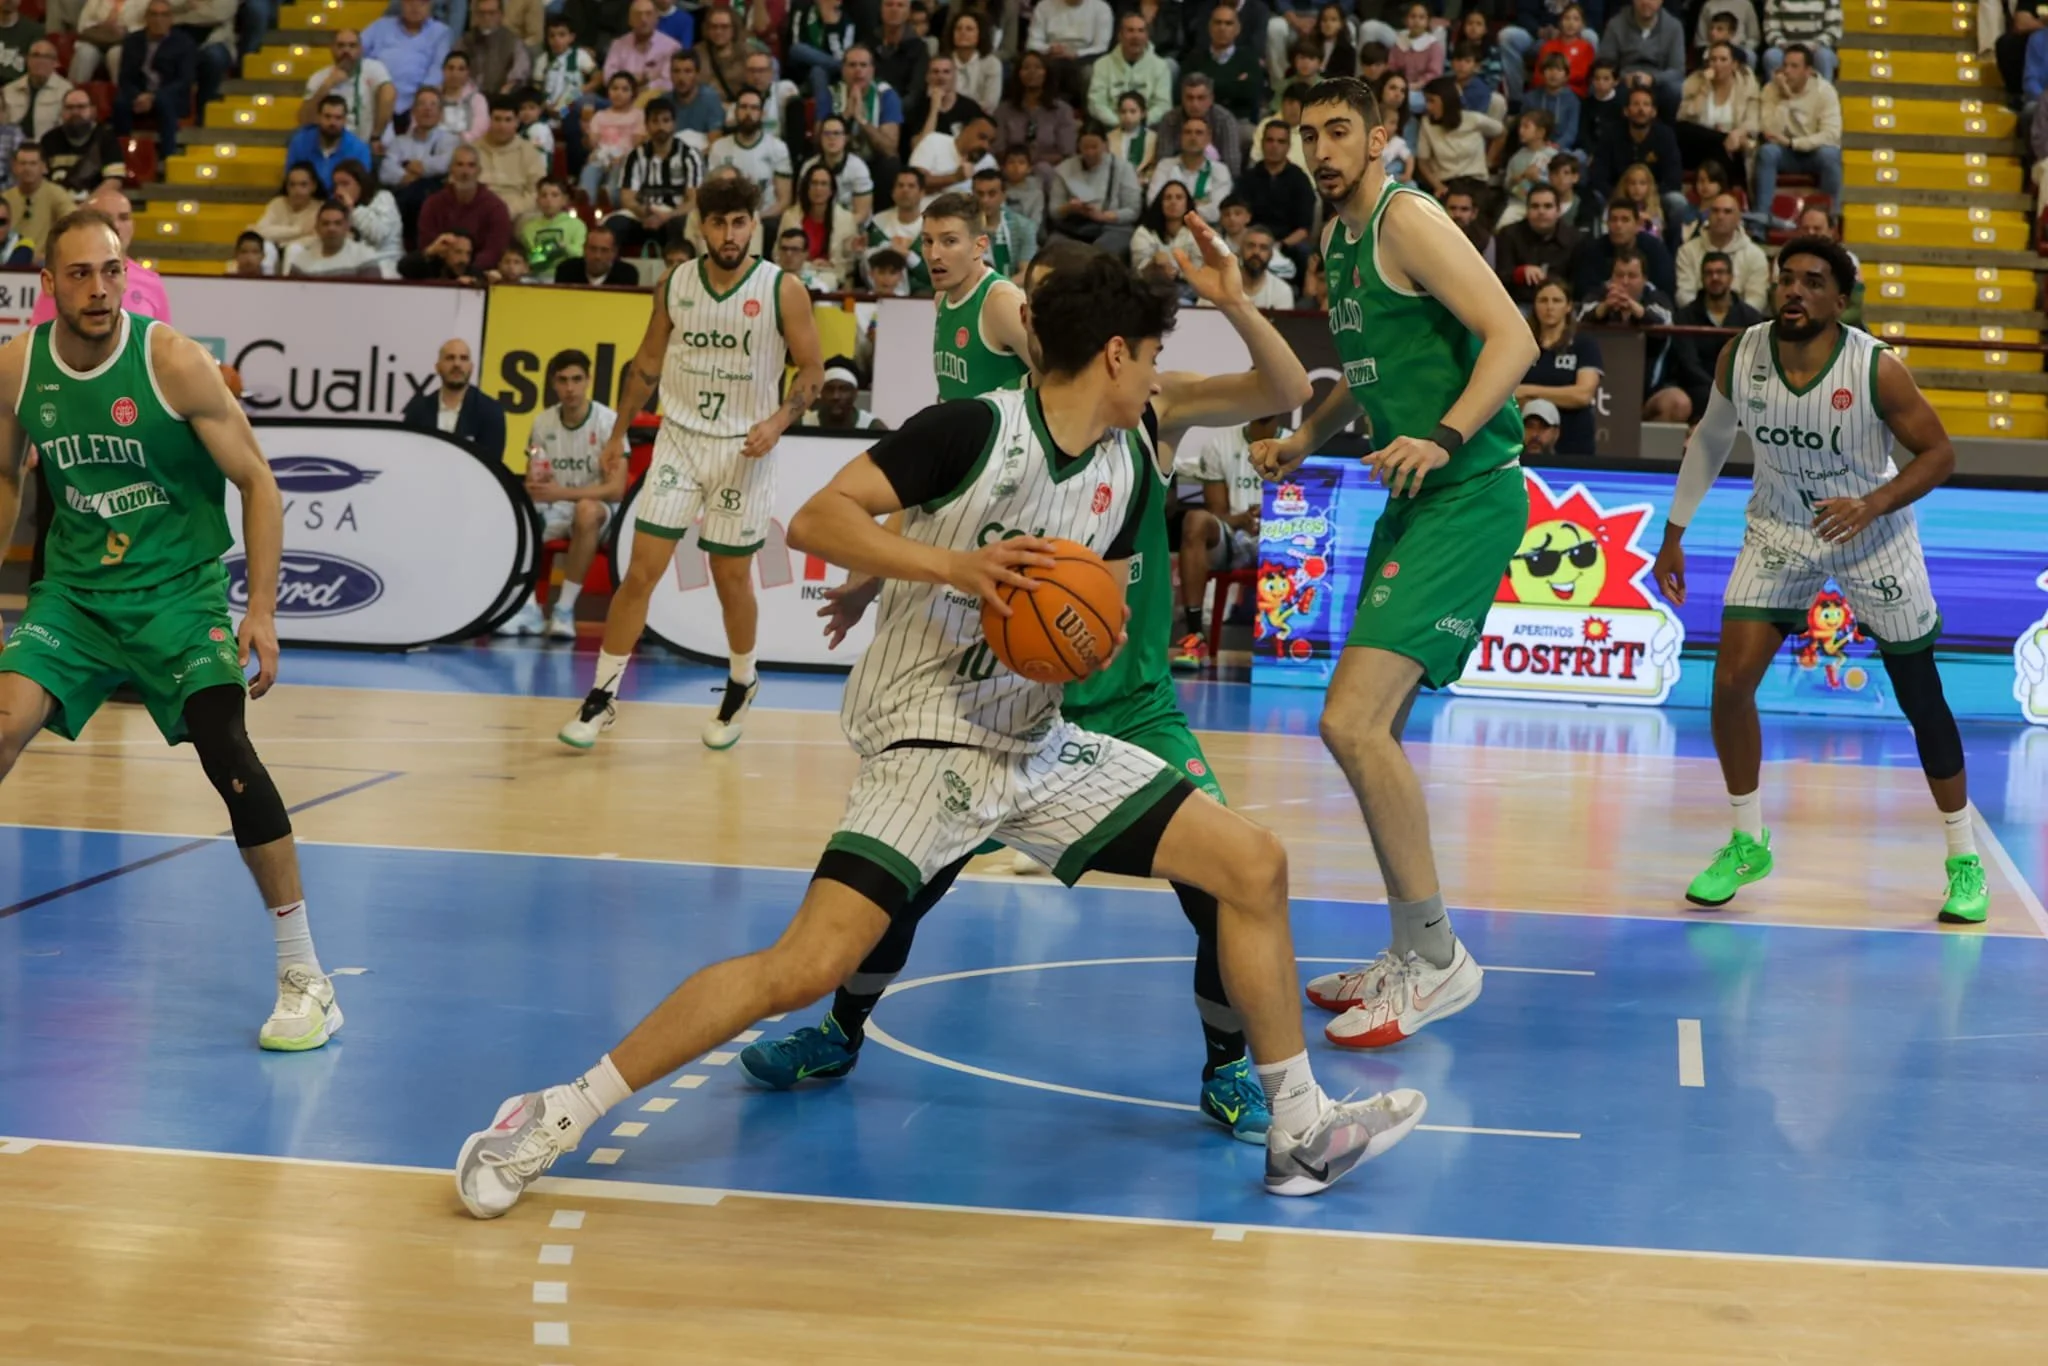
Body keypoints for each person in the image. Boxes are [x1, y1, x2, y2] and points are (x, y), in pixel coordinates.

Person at [460, 244, 1425, 1222]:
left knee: (1251, 865)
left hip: (1038, 743)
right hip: (929, 741)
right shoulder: (971, 426)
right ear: (1115, 356)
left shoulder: (1125, 463)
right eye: (1153, 357)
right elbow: (816, 519)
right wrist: (944, 571)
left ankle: (1296, 1126)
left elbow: (1057, 582)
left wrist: (1032, 626)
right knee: (802, 967)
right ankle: (553, 1110)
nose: (1157, 376)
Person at [0, 208, 343, 1053]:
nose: (98, 288)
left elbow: (260, 483)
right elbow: (5, 474)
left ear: (128, 274)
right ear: (48, 285)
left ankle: (305, 975)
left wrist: (259, 611)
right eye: (79, 274)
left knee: (226, 750)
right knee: (3, 722)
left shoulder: (174, 363)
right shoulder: (17, 367)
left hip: (181, 595)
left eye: (110, 272)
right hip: (75, 596)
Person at [1257, 75, 1536, 1048]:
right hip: (1414, 497)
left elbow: (1514, 336)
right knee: (1370, 732)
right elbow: (1367, 372)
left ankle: (1438, 959)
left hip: (1467, 488)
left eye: (1337, 131)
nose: (1321, 150)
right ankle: (1410, 948)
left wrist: (1447, 437)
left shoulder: (1403, 218)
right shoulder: (1333, 240)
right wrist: (1307, 434)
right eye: (1306, 136)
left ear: (1380, 136)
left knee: (1349, 723)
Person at [1651, 236, 1987, 924]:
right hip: (1781, 527)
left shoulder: (1877, 370)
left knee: (1922, 698)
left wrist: (1871, 504)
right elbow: (1712, 440)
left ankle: (1963, 857)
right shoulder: (1741, 353)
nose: (1794, 290)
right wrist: (1674, 534)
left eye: (1812, 281)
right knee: (1729, 683)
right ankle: (1748, 842)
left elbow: (1941, 452)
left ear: (1841, 300)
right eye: (1787, 279)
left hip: (1874, 534)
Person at [558, 176, 824, 753]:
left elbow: (811, 372)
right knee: (640, 573)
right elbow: (647, 363)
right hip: (679, 441)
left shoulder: (784, 290)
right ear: (700, 225)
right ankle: (602, 697)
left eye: (738, 223)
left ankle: (741, 680)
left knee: (731, 579)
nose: (728, 234)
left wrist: (777, 423)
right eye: (717, 223)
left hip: (743, 449)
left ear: (755, 225)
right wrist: (619, 434)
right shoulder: (675, 283)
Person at [502, 351, 626, 637]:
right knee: (519, 513)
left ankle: (564, 610)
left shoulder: (609, 423)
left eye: (576, 379)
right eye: (563, 380)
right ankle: (528, 608)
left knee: (585, 509)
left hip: (602, 513)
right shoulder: (542, 423)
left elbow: (616, 489)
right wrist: (536, 482)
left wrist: (561, 492)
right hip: (556, 507)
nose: (570, 388)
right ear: (553, 384)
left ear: (588, 381)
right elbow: (535, 475)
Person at [1173, 412, 1274, 669]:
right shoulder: (1220, 444)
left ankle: (1292, 648)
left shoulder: (1297, 444)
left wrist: (1273, 518)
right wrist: (1240, 519)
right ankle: (1195, 635)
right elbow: (1216, 513)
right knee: (1195, 520)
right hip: (1235, 538)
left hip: (1280, 539)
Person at [923, 190, 1031, 400]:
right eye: (928, 241)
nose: (934, 254)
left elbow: (1057, 378)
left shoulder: (1000, 301)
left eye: (949, 241)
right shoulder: (942, 299)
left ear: (979, 246)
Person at [1667, 248, 1765, 419]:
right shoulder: (1684, 316)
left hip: (1739, 388)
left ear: (1731, 277)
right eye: (1709, 273)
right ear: (1702, 279)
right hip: (1697, 387)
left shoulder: (1751, 318)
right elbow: (1688, 364)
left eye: (1720, 272)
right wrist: (1717, 390)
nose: (1715, 278)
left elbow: (1755, 363)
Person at [1514, 277, 1602, 455]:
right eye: (1543, 300)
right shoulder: (1521, 346)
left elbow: (1582, 394)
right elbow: (1512, 395)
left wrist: (1529, 390)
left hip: (1574, 441)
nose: (1549, 307)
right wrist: (1560, 395)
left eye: (1557, 300)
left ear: (1568, 306)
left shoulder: (1583, 344)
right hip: (1527, 444)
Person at [1754, 44, 1840, 219]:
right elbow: (1770, 132)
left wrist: (1794, 143)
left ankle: (1829, 218)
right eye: (1785, 65)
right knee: (1767, 152)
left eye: (1794, 66)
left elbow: (1831, 134)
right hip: (1785, 153)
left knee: (1830, 155)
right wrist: (1785, 98)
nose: (1787, 71)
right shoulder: (1771, 89)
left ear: (1808, 71)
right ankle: (1761, 218)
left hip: (1813, 152)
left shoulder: (1825, 91)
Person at [1589, 84, 1686, 229]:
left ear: (1653, 112)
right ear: (1626, 111)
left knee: (1677, 202)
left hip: (1654, 196)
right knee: (1594, 197)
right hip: (1617, 194)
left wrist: (1649, 197)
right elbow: (1598, 174)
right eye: (1635, 104)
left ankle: (1671, 250)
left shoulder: (1665, 135)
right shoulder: (1611, 134)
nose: (1641, 110)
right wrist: (1620, 196)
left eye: (1646, 105)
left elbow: (1673, 177)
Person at [1237, 117, 1317, 275]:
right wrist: (1255, 243)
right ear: (1262, 143)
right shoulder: (1248, 178)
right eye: (1270, 140)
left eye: (1281, 142)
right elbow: (1239, 217)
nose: (1274, 146)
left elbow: (1303, 229)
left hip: (1287, 244)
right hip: (1251, 240)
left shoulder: (1299, 179)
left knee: (1304, 254)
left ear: (1288, 146)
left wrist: (1278, 245)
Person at [1052, 118, 1143, 256]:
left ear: (1105, 145)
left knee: (1098, 253)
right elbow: (1053, 211)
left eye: (1094, 147)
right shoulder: (1064, 169)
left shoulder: (1123, 168)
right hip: (1074, 227)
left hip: (1113, 227)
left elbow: (1133, 210)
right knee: (1053, 248)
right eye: (1085, 147)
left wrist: (1103, 216)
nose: (1089, 152)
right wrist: (1069, 208)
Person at [403, 337, 506, 458]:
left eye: (463, 358)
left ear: (471, 367)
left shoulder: (491, 411)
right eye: (450, 358)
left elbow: (492, 465)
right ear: (438, 367)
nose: (457, 364)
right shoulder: (417, 411)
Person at [1675, 40, 1759, 187]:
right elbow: (1684, 118)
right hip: (1698, 148)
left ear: (1734, 65)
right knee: (1680, 129)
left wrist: (1736, 134)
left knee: (1721, 151)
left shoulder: (1746, 86)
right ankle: (1721, 139)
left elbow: (1753, 121)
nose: (1717, 64)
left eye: (1723, 60)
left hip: (1732, 151)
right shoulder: (1695, 83)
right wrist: (1703, 89)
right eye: (1713, 60)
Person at [380, 85, 462, 232]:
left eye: (433, 105)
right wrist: (405, 175)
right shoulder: (399, 142)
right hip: (403, 197)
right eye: (422, 104)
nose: (427, 109)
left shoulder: (451, 140)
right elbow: (386, 171)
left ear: (441, 113)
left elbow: (444, 164)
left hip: (435, 199)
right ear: (413, 111)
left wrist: (414, 166)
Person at [417, 144, 512, 269]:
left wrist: (469, 270)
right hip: (439, 274)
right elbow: (427, 245)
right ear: (451, 169)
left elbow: (495, 250)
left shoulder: (496, 207)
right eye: (460, 165)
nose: (465, 172)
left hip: (480, 276)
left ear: (479, 171)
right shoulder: (433, 204)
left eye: (471, 165)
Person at [706, 88, 793, 221]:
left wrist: (756, 220)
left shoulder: (777, 148)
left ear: (762, 113)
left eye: (754, 108)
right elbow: (711, 194)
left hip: (765, 220)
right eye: (743, 107)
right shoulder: (719, 147)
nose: (748, 113)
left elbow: (784, 201)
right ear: (735, 112)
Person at [362, 0, 454, 122]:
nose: (415, 7)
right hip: (375, 98)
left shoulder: (441, 32)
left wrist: (421, 100)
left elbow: (438, 69)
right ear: (401, 4)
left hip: (416, 105)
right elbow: (355, 51)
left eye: (422, 2)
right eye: (410, 2)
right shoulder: (380, 26)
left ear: (430, 5)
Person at [302, 28, 397, 144]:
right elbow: (305, 120)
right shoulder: (318, 78)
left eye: (352, 46)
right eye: (340, 46)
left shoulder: (374, 68)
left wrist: (376, 136)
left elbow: (388, 96)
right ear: (331, 49)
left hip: (371, 143)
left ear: (361, 50)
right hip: (336, 147)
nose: (346, 51)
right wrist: (327, 85)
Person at [1675, 191, 1768, 309]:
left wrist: (1731, 318)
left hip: (1741, 323)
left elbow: (1757, 299)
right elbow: (1684, 294)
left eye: (1727, 212)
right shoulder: (1687, 251)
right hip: (1697, 321)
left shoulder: (1756, 255)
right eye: (1715, 211)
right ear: (1708, 216)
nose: (1720, 216)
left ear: (1738, 218)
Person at [1571, 197, 1673, 298]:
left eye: (1625, 220)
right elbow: (1583, 291)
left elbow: (1666, 290)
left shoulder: (1655, 249)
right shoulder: (1592, 250)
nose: (1618, 225)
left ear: (1638, 225)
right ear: (1607, 224)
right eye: (1613, 220)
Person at [1596, 0, 1684, 117]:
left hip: (1659, 81)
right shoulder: (1615, 24)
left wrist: (1653, 79)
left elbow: (1677, 70)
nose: (1645, 2)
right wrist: (1623, 77)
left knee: (1675, 90)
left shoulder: (1674, 26)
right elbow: (1605, 63)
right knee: (1601, 85)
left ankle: (1667, 133)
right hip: (1624, 80)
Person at [1187, 3, 1269, 126]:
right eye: (1218, 23)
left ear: (1237, 29)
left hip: (1239, 122)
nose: (1222, 28)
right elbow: (1182, 94)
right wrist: (1235, 84)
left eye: (1228, 23)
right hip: (1201, 122)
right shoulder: (1194, 58)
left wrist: (1211, 86)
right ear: (1209, 27)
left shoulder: (1249, 59)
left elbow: (1253, 95)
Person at [1495, 182, 1578, 304]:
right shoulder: (1509, 234)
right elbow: (1499, 276)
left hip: (1560, 305)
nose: (1541, 211)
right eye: (1535, 206)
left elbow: (1577, 284)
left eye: (1548, 206)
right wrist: (1520, 273)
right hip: (1518, 304)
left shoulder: (1575, 239)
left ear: (1558, 211)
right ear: (1527, 210)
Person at [1089, 11, 1172, 128]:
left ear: (1147, 36)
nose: (1136, 36)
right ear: (1120, 36)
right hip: (1111, 126)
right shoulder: (1102, 64)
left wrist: (1140, 122)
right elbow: (1096, 103)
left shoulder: (1160, 66)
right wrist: (1119, 123)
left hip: (1147, 127)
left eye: (1141, 31)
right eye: (1130, 30)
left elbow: (1163, 105)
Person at [41, 86, 124, 201]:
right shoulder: (49, 139)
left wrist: (87, 206)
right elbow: (40, 180)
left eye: (81, 107)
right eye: (69, 107)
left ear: (92, 110)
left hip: (95, 208)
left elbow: (114, 181)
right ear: (62, 111)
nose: (75, 112)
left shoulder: (106, 138)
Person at [1148, 114, 1232, 224]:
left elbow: (1217, 212)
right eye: (1188, 132)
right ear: (1180, 137)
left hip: (1205, 230)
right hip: (1169, 229)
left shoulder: (1220, 170)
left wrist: (1176, 209)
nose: (1193, 137)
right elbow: (1153, 203)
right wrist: (1198, 205)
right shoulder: (1165, 166)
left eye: (1199, 133)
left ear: (1208, 139)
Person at [287, 94, 377, 195]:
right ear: (318, 117)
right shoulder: (299, 142)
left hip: (343, 205)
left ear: (345, 120)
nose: (332, 122)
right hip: (306, 203)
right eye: (327, 116)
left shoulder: (360, 150)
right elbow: (291, 180)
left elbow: (362, 189)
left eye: (338, 118)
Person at [330, 158, 404, 271]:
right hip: (354, 264)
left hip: (385, 262)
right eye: (336, 185)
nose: (339, 191)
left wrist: (352, 210)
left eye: (345, 184)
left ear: (360, 183)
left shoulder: (383, 198)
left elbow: (378, 235)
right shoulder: (340, 208)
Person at [283, 198, 383, 276]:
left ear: (347, 227)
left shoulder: (365, 258)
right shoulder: (301, 262)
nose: (331, 228)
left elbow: (373, 298)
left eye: (338, 223)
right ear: (317, 228)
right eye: (325, 223)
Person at [6, 145, 74, 257]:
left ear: (44, 167)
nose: (27, 168)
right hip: (10, 262)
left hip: (45, 262)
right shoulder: (6, 198)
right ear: (14, 167)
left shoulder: (56, 194)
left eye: (33, 163)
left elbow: (73, 225)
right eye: (23, 163)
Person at [908, 109, 995, 194]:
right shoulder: (934, 141)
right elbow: (913, 184)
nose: (986, 146)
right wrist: (955, 177)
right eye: (982, 137)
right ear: (966, 129)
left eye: (991, 142)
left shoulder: (989, 163)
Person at [520, 176, 586, 280]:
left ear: (565, 200)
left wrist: (564, 247)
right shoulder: (529, 228)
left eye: (555, 195)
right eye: (543, 195)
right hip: (537, 277)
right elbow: (531, 258)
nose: (548, 200)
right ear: (537, 200)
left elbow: (580, 254)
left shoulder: (576, 225)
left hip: (567, 277)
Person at [461, 0, 532, 95]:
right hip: (469, 96)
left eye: (491, 13)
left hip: (501, 98)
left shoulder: (512, 41)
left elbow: (521, 69)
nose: (486, 17)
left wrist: (508, 87)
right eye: (482, 13)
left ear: (500, 14)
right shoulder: (466, 41)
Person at [247, 162, 322, 252]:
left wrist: (283, 241)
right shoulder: (277, 203)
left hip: (304, 257)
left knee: (294, 249)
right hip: (275, 252)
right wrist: (299, 231)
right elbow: (259, 232)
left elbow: (314, 240)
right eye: (292, 185)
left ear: (313, 186)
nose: (297, 190)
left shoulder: (320, 209)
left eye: (303, 185)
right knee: (266, 246)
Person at [1761, 0, 1840, 83]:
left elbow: (1833, 29)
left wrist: (1816, 45)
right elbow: (1770, 29)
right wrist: (1785, 46)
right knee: (1771, 56)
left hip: (1817, 47)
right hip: (1785, 47)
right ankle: (1776, 93)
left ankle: (1823, 93)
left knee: (1824, 56)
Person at [800, 360, 887, 430]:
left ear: (855, 394)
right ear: (821, 393)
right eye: (829, 389)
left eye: (844, 389)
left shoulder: (872, 427)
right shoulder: (803, 424)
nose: (835, 396)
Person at [553, 221, 637, 284]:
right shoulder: (566, 271)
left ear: (614, 252)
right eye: (593, 249)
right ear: (584, 249)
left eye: (604, 250)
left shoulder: (627, 275)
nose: (597, 256)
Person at [1236, 222, 1292, 307]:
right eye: (1251, 246)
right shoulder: (1223, 286)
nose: (1256, 252)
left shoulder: (1282, 291)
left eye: (1263, 248)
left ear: (1271, 254)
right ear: (1240, 250)